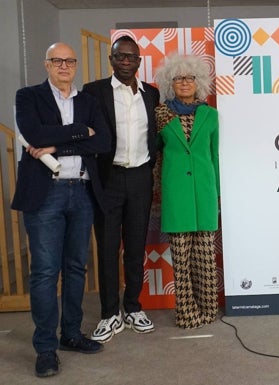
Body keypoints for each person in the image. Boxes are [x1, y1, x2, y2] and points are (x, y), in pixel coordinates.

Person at [12, 42, 110, 377]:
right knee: (44, 272)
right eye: (57, 60)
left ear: (76, 64)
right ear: (47, 64)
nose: (64, 65)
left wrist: (57, 144)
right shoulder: (28, 97)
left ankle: (70, 334)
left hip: (81, 192)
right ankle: (45, 348)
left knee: (75, 269)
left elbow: (103, 142)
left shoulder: (88, 101)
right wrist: (82, 131)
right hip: (45, 194)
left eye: (69, 60)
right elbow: (35, 133)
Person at [83, 35, 159, 342]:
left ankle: (133, 307)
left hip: (141, 177)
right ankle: (109, 313)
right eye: (120, 56)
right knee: (108, 247)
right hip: (108, 180)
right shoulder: (94, 92)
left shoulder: (151, 94)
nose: (125, 61)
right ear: (111, 60)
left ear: (139, 62)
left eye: (131, 57)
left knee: (136, 245)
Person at [153, 54, 220, 328]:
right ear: (170, 83)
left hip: (204, 193)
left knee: (205, 257)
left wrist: (216, 194)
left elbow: (214, 156)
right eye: (178, 78)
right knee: (181, 259)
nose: (184, 83)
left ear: (199, 82)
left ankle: (208, 309)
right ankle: (187, 313)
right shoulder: (160, 114)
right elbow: (155, 155)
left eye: (190, 77)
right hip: (175, 193)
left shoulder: (211, 115)